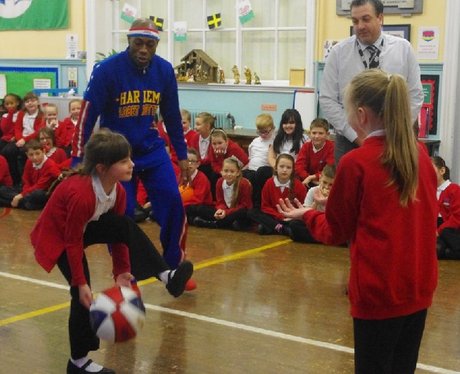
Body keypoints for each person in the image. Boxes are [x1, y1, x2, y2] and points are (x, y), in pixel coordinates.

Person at [277, 69, 438, 373]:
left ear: (361, 114)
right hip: (417, 287)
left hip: (378, 292)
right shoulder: (418, 153)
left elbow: (335, 231)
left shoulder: (355, 162)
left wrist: (309, 214)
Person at [30, 129, 193, 374]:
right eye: (124, 161)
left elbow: (119, 237)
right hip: (58, 238)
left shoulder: (117, 190)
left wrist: (122, 271)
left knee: (125, 224)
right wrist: (81, 282)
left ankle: (166, 276)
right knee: (80, 295)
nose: (132, 165)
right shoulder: (81, 193)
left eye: (130, 158)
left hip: (83, 229)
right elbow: (72, 241)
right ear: (102, 168)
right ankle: (78, 362)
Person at [71, 18, 192, 286]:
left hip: (151, 149)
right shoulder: (106, 70)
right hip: (117, 154)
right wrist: (77, 159)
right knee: (122, 218)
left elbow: (171, 115)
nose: (144, 50)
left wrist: (182, 155)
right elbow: (87, 116)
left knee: (173, 201)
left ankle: (174, 267)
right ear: (129, 42)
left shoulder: (164, 71)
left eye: (150, 44)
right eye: (139, 43)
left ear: (156, 46)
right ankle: (124, 273)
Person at [320, 0, 424, 163]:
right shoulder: (338, 53)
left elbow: (415, 96)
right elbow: (327, 99)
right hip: (350, 140)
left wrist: (396, 132)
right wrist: (355, 136)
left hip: (394, 140)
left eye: (366, 19)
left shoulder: (403, 49)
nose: (360, 26)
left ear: (380, 18)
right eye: (355, 21)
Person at [249, 153, 306, 236]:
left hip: (290, 218)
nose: (285, 170)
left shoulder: (299, 186)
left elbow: (301, 207)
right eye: (281, 166)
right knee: (252, 212)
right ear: (276, 168)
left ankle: (271, 227)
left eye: (288, 167)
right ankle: (280, 228)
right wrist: (280, 216)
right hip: (273, 216)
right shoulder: (269, 183)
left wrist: (289, 216)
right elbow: (265, 206)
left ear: (293, 170)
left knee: (296, 224)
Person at [192, 157, 252, 231]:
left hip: (237, 212)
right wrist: (220, 210)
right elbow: (220, 202)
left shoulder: (243, 184)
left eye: (232, 171)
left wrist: (226, 212)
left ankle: (214, 224)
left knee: (242, 213)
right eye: (226, 171)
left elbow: (244, 205)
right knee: (202, 208)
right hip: (226, 211)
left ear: (238, 173)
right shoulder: (219, 182)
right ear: (221, 171)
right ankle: (224, 223)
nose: (229, 174)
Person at [0, 139, 60, 210]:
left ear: (43, 152)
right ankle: (22, 203)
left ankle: (16, 202)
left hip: (42, 191)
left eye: (37, 153)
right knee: (3, 189)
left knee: (37, 194)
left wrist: (20, 196)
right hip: (29, 191)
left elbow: (40, 186)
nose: (35, 157)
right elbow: (26, 180)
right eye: (31, 155)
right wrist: (23, 194)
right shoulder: (29, 162)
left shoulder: (50, 165)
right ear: (27, 155)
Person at [2, 91, 44, 186]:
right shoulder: (22, 113)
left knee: (22, 153)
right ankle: (13, 178)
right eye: (27, 101)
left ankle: (23, 181)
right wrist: (20, 139)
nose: (30, 103)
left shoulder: (41, 115)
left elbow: (38, 132)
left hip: (33, 140)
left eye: (33, 100)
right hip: (20, 139)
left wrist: (24, 140)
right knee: (7, 151)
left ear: (38, 102)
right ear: (24, 104)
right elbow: (17, 128)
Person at [288, 164, 336, 243]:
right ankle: (325, 239)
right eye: (324, 182)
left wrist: (329, 200)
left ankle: (322, 239)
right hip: (316, 224)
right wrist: (316, 202)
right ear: (320, 178)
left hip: (328, 225)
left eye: (331, 185)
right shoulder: (313, 191)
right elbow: (306, 215)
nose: (327, 187)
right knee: (295, 225)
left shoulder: (337, 194)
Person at [242, 113, 275, 208]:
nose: (263, 134)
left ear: (272, 128)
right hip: (252, 169)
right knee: (245, 174)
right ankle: (247, 205)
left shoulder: (275, 141)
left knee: (259, 174)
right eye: (260, 132)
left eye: (266, 132)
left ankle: (258, 205)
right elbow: (250, 158)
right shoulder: (255, 141)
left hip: (265, 171)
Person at [432, 156, 460, 259]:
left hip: (450, 230)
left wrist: (439, 231)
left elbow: (457, 217)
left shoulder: (454, 189)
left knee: (445, 232)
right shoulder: (429, 191)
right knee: (437, 251)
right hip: (436, 229)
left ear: (442, 170)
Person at [295, 118, 334, 188]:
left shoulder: (332, 147)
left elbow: (330, 169)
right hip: (306, 181)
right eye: (314, 133)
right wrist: (309, 178)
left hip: (325, 183)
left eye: (321, 133)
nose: (316, 136)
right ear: (309, 133)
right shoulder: (306, 146)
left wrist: (312, 177)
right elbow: (299, 167)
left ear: (327, 134)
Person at [182, 147, 213, 223]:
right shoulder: (181, 175)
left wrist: (181, 205)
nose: (189, 164)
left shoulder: (202, 178)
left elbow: (198, 200)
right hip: (184, 204)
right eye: (187, 161)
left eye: (192, 161)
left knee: (194, 209)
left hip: (200, 205)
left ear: (198, 164)